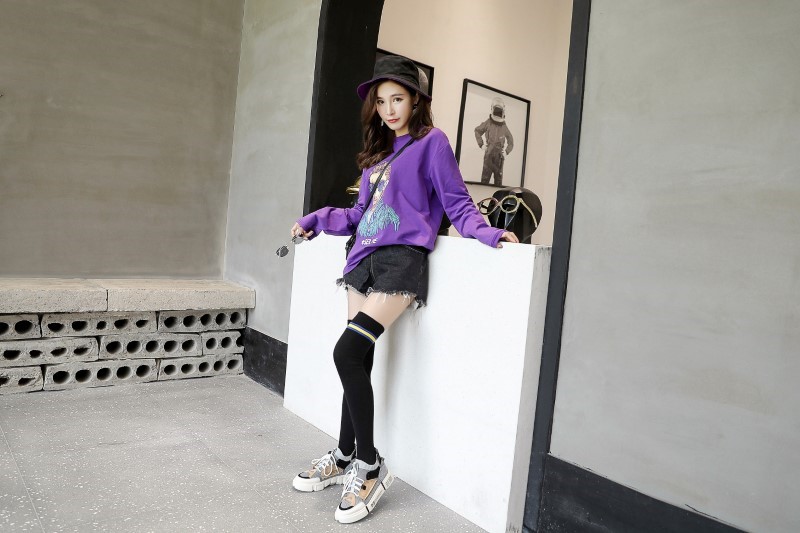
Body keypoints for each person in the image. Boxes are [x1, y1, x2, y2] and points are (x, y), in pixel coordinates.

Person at [289, 55, 519, 524]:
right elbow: (359, 216)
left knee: (346, 353)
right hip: (361, 260)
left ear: (416, 100)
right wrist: (316, 219)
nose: (389, 109)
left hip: (400, 262)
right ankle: (345, 454)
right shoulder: (377, 156)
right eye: (381, 101)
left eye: (398, 99)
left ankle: (370, 467)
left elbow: (457, 202)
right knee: (359, 360)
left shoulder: (433, 143)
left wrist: (489, 231)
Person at [474, 96, 515, 186]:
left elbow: (511, 141)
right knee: (485, 180)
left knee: (498, 182)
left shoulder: (504, 126)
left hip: (499, 157)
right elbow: (477, 131)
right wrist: (481, 145)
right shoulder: (488, 122)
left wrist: (506, 152)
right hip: (489, 154)